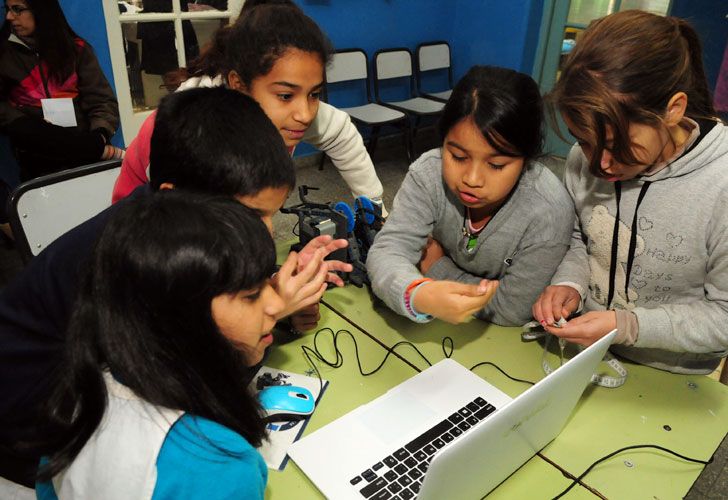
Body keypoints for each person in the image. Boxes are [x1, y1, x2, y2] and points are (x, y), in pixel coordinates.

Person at [0, 87, 349, 487]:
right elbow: (184, 382)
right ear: (176, 199)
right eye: (250, 215)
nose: (266, 233)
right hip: (35, 439)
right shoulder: (127, 272)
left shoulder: (159, 238)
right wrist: (270, 314)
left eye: (271, 215)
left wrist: (271, 307)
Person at [35, 192, 282, 498]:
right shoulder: (223, 470)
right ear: (181, 315)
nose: (276, 303)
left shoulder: (76, 396)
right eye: (252, 294)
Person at [532, 10, 728, 374]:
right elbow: (580, 236)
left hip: (670, 376)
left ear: (673, 110)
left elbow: (723, 318)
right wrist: (568, 282)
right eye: (585, 142)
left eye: (618, 145)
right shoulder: (582, 161)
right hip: (584, 353)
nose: (600, 165)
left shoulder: (721, 183)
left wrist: (627, 326)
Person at [112, 2, 387, 214]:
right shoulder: (185, 125)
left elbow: (341, 134)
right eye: (285, 95)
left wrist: (376, 210)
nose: (304, 114)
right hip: (148, 226)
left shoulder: (287, 105)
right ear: (238, 84)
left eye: (314, 94)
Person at [367, 66, 574, 326]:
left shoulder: (548, 210)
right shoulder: (429, 172)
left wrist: (436, 268)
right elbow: (388, 251)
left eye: (496, 165)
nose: (472, 179)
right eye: (458, 156)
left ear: (527, 160)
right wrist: (417, 293)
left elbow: (513, 308)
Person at [0, 0, 122, 182]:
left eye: (18, 9)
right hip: (37, 163)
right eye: (8, 9)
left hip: (88, 158)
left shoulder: (76, 50)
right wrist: (34, 130)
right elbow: (6, 114)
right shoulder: (4, 55)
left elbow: (102, 101)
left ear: (41, 10)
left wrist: (99, 136)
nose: (9, 17)